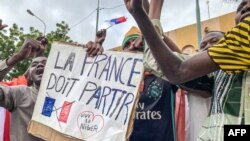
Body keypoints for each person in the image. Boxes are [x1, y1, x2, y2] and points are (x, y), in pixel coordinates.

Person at [124, 0, 250, 83]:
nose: (245, 8)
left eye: (215, 41)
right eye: (240, 7)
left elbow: (176, 68)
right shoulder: (213, 78)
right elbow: (176, 61)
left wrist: (146, 12)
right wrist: (144, 14)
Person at [0, 38, 46, 141]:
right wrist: (18, 57)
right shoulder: (19, 93)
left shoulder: (67, 100)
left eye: (45, 63)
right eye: (34, 65)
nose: (39, 65)